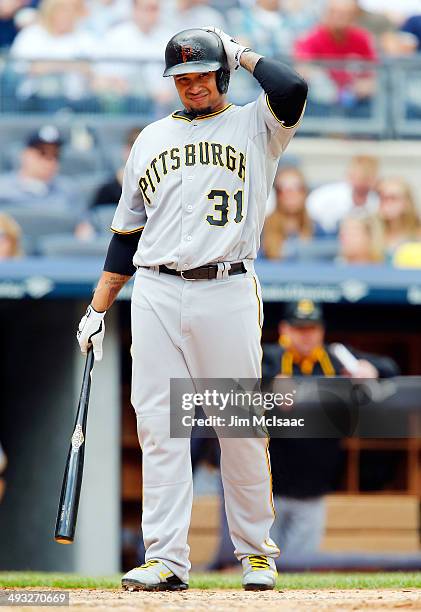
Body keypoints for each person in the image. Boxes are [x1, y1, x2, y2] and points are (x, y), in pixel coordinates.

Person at [77, 26, 307, 591]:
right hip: (154, 290)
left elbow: (294, 86)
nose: (193, 85)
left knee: (239, 427)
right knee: (159, 427)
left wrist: (238, 51)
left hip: (225, 286)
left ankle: (255, 552)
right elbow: (126, 234)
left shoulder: (257, 124)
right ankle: (167, 558)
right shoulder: (150, 138)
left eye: (202, 73)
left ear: (222, 73)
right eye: (182, 77)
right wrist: (97, 308)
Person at [263, 299, 399, 555]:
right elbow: (240, 381)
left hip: (315, 489)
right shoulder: (270, 356)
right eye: (299, 328)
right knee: (263, 566)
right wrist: (271, 383)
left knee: (300, 571)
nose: (306, 335)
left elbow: (389, 367)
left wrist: (369, 369)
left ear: (321, 330)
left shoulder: (337, 357)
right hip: (268, 492)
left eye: (312, 328)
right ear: (284, 329)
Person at [294, 0, 378, 113]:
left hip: (355, 102)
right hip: (320, 103)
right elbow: (301, 70)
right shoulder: (312, 38)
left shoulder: (362, 39)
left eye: (345, 14)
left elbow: (374, 76)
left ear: (354, 16)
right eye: (334, 12)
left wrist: (360, 87)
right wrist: (322, 82)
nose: (339, 18)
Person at [0, 125, 75, 211]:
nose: (49, 161)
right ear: (25, 155)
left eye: (55, 155)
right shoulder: (2, 188)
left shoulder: (67, 191)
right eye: (42, 153)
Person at [262, 166, 324, 260]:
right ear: (277, 194)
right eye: (283, 189)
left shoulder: (317, 228)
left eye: (297, 188)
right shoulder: (261, 228)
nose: (290, 194)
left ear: (305, 192)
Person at [306, 155, 379, 234]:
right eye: (359, 175)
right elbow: (309, 214)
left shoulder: (375, 201)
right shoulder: (327, 195)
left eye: (369, 176)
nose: (365, 180)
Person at [375, 177, 421, 260]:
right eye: (383, 198)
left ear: (407, 202)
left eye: (393, 198)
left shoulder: (418, 234)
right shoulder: (371, 233)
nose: (387, 203)